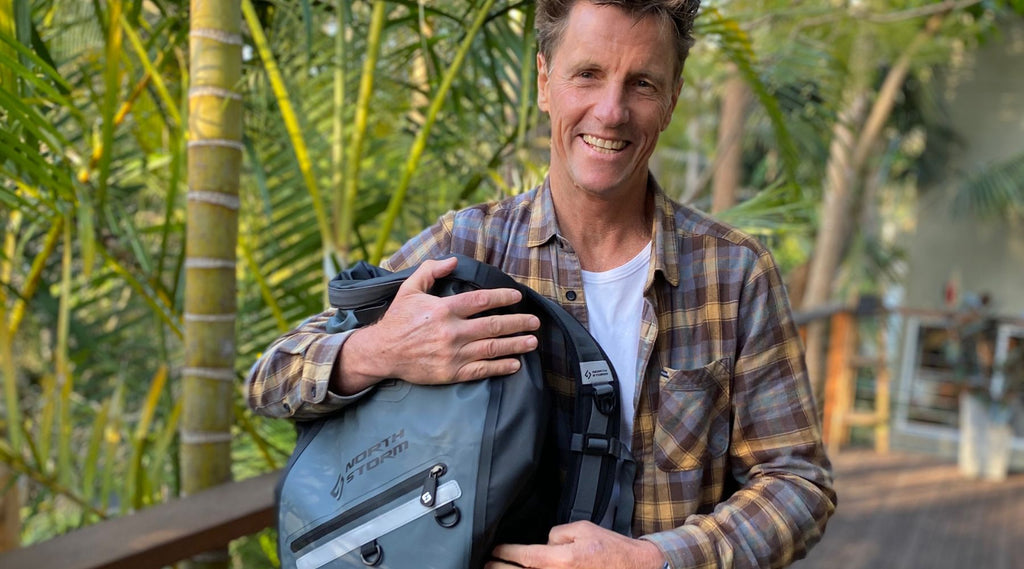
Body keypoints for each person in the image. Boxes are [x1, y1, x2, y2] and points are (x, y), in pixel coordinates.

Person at [246, 1, 836, 567]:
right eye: (587, 74)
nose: (610, 111)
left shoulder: (735, 275)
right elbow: (271, 378)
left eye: (642, 84)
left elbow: (798, 484)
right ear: (543, 81)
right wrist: (383, 349)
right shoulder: (467, 246)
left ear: (672, 99)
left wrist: (656, 561)